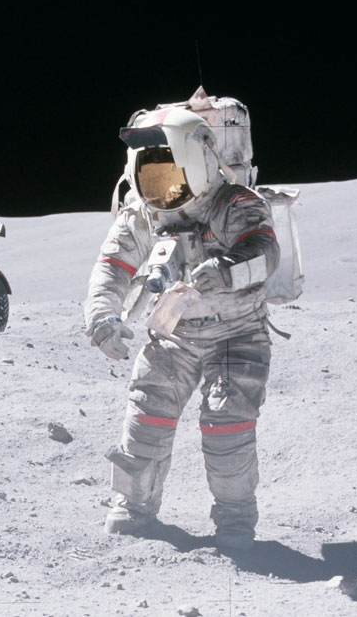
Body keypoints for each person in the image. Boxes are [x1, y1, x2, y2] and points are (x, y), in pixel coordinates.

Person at [83, 97, 279, 550]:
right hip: (174, 334)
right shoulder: (142, 214)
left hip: (237, 332)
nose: (162, 187)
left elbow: (266, 253)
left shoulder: (236, 204)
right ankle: (135, 506)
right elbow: (111, 268)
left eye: (170, 172)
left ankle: (235, 518)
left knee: (226, 422)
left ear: (197, 163)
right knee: (146, 415)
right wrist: (102, 316)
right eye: (151, 176)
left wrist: (226, 270)